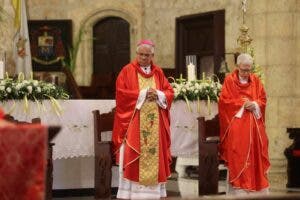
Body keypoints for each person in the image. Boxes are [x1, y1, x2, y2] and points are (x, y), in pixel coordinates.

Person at [112, 39, 174, 199]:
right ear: (136, 54)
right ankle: (132, 193)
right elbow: (121, 94)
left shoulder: (158, 72)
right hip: (134, 124)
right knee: (135, 155)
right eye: (141, 54)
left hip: (156, 125)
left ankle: (153, 194)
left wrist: (159, 94)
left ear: (152, 55)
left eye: (147, 55)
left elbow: (169, 91)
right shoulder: (126, 71)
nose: (144, 58)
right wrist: (142, 94)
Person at [218, 53, 270, 195]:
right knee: (237, 151)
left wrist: (255, 104)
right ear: (237, 67)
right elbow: (224, 102)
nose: (247, 73)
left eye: (249, 70)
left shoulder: (256, 81)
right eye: (243, 70)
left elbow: (263, 99)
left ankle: (256, 184)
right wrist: (242, 104)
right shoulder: (229, 81)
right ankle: (240, 185)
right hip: (237, 124)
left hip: (254, 126)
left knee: (260, 146)